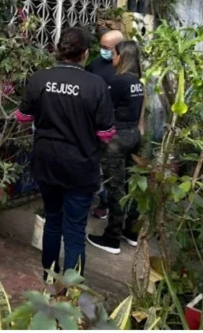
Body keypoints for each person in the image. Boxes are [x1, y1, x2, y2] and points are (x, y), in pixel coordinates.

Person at [15, 27, 115, 275]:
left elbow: (22, 117)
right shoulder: (96, 85)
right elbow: (106, 133)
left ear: (60, 51)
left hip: (46, 162)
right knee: (74, 230)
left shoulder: (39, 78)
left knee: (52, 221)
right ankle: (69, 292)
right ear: (86, 54)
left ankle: (49, 277)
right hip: (80, 167)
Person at [87, 40, 147, 254]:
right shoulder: (137, 82)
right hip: (134, 135)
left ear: (123, 57)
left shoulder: (119, 81)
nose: (112, 57)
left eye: (115, 54)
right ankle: (130, 232)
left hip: (117, 138)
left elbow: (104, 109)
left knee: (116, 188)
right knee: (132, 187)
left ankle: (112, 237)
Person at [87, 29, 124, 219]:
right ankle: (101, 200)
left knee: (111, 169)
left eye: (107, 48)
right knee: (95, 166)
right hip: (93, 123)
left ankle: (108, 204)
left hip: (114, 127)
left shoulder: (124, 70)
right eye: (101, 46)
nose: (103, 50)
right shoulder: (95, 64)